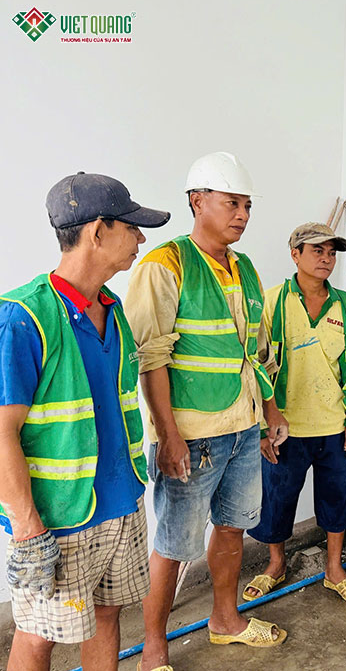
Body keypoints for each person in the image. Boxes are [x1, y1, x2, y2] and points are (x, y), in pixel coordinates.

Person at [125, 152, 289, 670]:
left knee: (233, 527)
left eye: (247, 205)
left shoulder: (244, 268)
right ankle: (154, 648)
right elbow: (150, 358)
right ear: (197, 202)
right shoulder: (166, 264)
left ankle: (225, 620)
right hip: (191, 435)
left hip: (243, 428)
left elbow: (256, 352)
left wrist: (269, 412)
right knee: (174, 543)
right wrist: (169, 436)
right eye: (231, 203)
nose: (242, 214)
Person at [0, 172, 169, 671]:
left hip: (121, 504)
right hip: (59, 520)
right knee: (39, 636)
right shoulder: (23, 318)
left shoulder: (113, 311)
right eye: (132, 228)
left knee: (109, 614)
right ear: (98, 231)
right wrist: (28, 528)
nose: (140, 240)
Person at [242, 222, 346, 605]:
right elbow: (255, 366)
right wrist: (262, 427)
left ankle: (334, 568)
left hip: (333, 424)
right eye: (317, 251)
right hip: (285, 427)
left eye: (331, 252)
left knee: (336, 496)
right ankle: (276, 564)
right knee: (277, 499)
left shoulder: (344, 305)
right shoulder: (272, 301)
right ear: (295, 255)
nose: (326, 259)